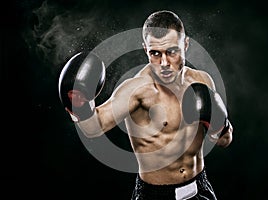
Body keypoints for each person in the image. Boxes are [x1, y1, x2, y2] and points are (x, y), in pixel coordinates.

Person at [58, 10, 233, 200]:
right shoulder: (137, 89)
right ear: (145, 49)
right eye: (155, 53)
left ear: (186, 44)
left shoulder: (203, 81)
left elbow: (225, 140)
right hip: (155, 195)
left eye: (172, 52)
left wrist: (219, 126)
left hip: (199, 188)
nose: (164, 63)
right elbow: (93, 128)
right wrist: (79, 104)